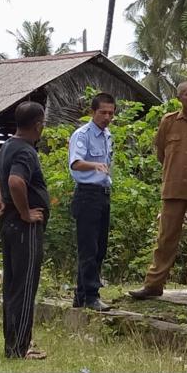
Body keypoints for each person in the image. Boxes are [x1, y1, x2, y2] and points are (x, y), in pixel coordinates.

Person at [129, 81, 187, 301]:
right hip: (172, 189)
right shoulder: (168, 122)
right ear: (179, 98)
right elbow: (161, 154)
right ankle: (154, 284)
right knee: (166, 238)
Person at [0, 101, 50, 359]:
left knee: (13, 285)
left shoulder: (7, 145)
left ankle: (14, 345)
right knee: (25, 286)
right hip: (24, 227)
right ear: (38, 125)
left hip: (9, 223)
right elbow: (15, 181)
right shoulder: (26, 151)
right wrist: (26, 212)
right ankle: (18, 349)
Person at [68, 92, 116, 311]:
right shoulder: (83, 134)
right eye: (102, 112)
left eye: (110, 113)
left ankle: (81, 295)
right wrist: (94, 165)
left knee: (100, 247)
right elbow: (76, 163)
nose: (107, 117)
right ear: (92, 112)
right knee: (88, 247)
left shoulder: (107, 135)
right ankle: (91, 296)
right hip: (87, 193)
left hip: (103, 193)